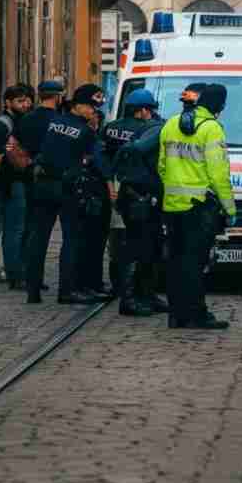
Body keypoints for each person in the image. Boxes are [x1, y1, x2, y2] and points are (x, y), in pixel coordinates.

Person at [159, 83, 234, 330]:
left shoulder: (170, 123)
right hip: (199, 206)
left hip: (172, 205)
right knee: (195, 263)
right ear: (221, 105)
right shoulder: (211, 128)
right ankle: (196, 315)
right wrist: (229, 208)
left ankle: (176, 314)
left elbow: (161, 166)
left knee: (175, 261)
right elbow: (218, 174)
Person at [26, 84, 105, 305]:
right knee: (72, 238)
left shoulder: (54, 122)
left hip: (43, 183)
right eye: (90, 107)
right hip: (67, 187)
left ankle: (33, 290)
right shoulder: (86, 132)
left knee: (39, 237)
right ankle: (67, 290)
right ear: (78, 105)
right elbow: (95, 160)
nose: (93, 112)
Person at [102, 89, 165, 316]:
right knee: (142, 247)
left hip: (125, 190)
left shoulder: (111, 127)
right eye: (152, 110)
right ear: (144, 110)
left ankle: (146, 295)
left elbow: (102, 155)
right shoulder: (149, 129)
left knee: (139, 244)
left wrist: (111, 178)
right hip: (143, 193)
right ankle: (130, 298)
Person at [0, 84, 34, 288]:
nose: (25, 104)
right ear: (8, 102)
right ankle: (14, 274)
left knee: (21, 229)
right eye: (20, 100)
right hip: (9, 184)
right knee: (14, 230)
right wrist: (14, 153)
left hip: (21, 182)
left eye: (27, 100)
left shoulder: (19, 122)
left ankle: (20, 271)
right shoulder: (1, 125)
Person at [17, 80, 65, 292]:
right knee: (69, 233)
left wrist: (26, 163)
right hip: (56, 178)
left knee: (34, 231)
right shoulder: (60, 121)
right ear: (57, 97)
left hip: (31, 177)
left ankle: (29, 278)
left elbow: (15, 145)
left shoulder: (27, 119)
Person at [77, 109, 113, 299]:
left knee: (93, 242)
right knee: (93, 242)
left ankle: (93, 283)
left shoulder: (93, 136)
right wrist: (110, 188)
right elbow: (102, 166)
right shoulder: (92, 138)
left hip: (87, 193)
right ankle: (91, 283)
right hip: (93, 194)